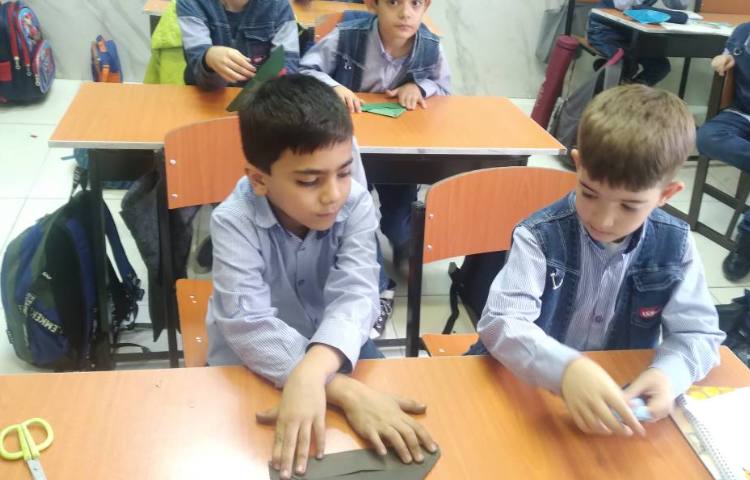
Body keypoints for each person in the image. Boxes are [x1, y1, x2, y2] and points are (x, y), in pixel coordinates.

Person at [206, 75, 437, 480]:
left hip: (337, 344)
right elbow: (248, 324)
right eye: (309, 181)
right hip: (255, 357)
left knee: (404, 446)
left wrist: (313, 372)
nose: (333, 194)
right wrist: (341, 389)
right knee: (258, 458)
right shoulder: (233, 220)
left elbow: (358, 294)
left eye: (344, 172)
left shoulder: (355, 203)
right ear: (259, 179)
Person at [470, 85, 725, 437]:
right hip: (530, 390)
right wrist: (566, 369)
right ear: (578, 165)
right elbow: (501, 322)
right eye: (589, 193)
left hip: (616, 398)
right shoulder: (540, 236)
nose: (603, 219)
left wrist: (669, 375)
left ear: (666, 194)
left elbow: (698, 333)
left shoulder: (676, 245)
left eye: (629, 206)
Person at [299, 0, 451, 335]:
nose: (405, 13)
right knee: (357, 215)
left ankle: (402, 246)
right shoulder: (347, 36)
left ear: (425, 6)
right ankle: (380, 287)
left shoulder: (430, 46)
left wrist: (419, 86)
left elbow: (444, 88)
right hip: (348, 148)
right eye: (393, 3)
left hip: (399, 150)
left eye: (415, 3)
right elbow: (305, 70)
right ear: (373, 5)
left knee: (400, 215)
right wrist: (334, 86)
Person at [696, 22, 750, 281]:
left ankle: (746, 240)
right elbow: (727, 54)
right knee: (707, 137)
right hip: (741, 114)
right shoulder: (744, 31)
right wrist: (723, 58)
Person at [177, 0, 300, 89]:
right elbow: (196, 57)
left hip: (260, 99)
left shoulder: (279, 6)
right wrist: (208, 58)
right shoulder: (192, 3)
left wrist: (280, 79)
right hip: (204, 95)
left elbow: (287, 60)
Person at [587, 0, 689, 85]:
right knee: (626, 65)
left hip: (632, 33)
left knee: (660, 66)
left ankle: (631, 94)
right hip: (604, 30)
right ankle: (609, 93)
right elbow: (622, 5)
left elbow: (679, 5)